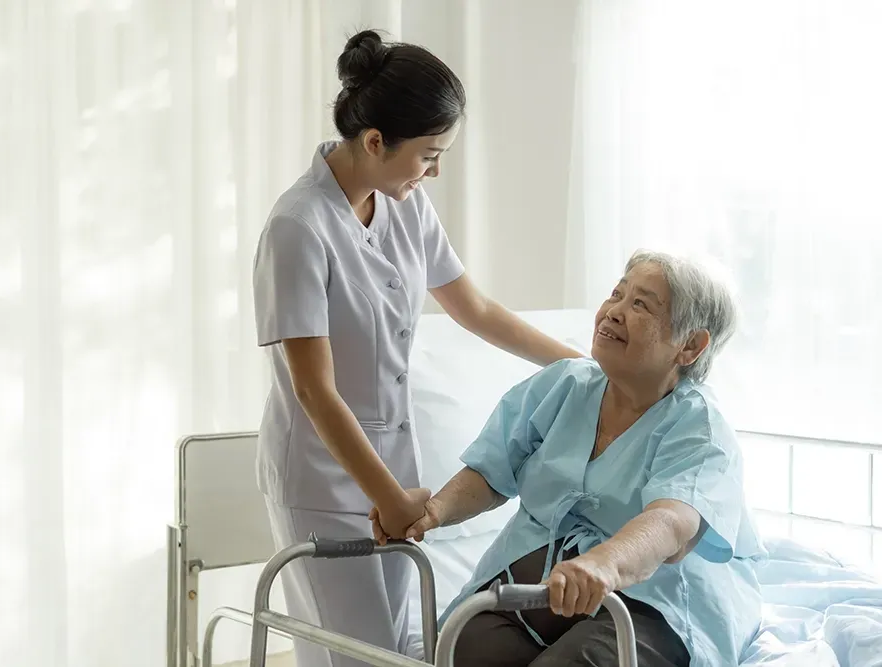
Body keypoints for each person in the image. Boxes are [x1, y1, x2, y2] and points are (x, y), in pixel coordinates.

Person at [251, 29, 582, 667]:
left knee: (401, 647)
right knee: (358, 654)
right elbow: (314, 390)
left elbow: (476, 311)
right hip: (323, 476)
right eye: (429, 154)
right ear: (375, 142)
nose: (434, 170)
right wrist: (389, 498)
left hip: (395, 467)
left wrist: (585, 367)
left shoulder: (406, 205)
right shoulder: (298, 228)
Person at [372, 250, 766, 667]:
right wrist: (432, 512)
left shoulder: (699, 427)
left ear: (690, 345)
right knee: (461, 651)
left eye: (640, 305)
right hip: (546, 584)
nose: (614, 312)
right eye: (617, 293)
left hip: (653, 599)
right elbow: (490, 472)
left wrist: (604, 564)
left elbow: (671, 524)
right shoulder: (564, 385)